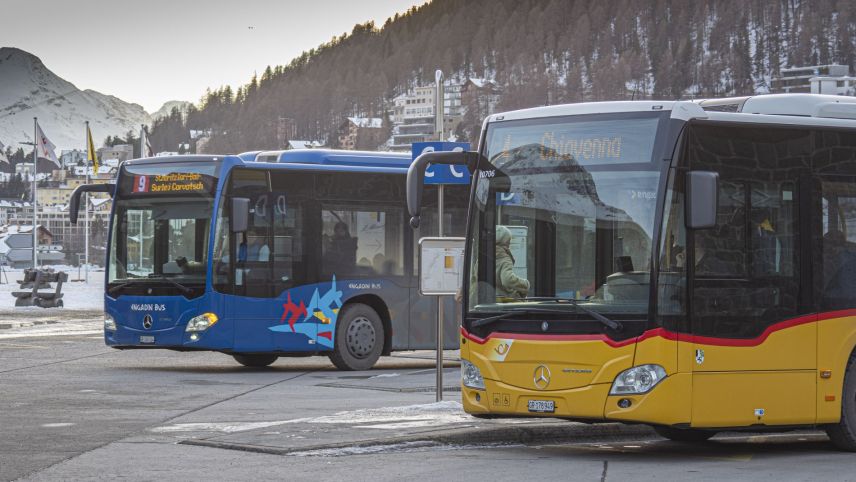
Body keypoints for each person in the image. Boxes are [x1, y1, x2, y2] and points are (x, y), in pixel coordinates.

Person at [495, 225, 530, 299]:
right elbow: (507, 280)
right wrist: (525, 284)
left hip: (486, 300)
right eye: (509, 240)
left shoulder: (482, 256)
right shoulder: (504, 258)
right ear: (505, 241)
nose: (509, 243)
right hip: (502, 301)